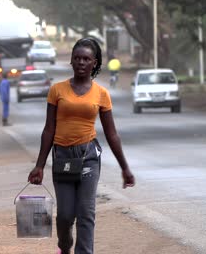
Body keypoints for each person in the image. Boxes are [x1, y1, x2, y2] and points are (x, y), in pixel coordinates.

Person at [27, 38, 135, 254]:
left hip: (88, 157)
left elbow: (112, 133)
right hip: (63, 157)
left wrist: (125, 167)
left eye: (86, 59)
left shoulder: (101, 94)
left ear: (94, 63)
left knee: (86, 212)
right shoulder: (57, 90)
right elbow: (49, 129)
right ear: (71, 61)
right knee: (66, 214)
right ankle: (64, 245)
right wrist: (39, 165)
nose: (81, 62)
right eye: (77, 58)